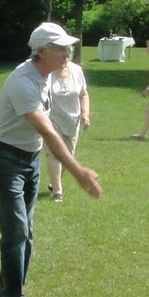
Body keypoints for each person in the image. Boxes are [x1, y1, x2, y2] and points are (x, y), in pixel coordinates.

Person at [0, 22, 102, 297]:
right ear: (41, 51)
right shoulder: (23, 82)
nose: (67, 53)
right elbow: (48, 131)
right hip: (6, 160)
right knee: (16, 231)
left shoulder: (45, 75)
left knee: (26, 232)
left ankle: (13, 294)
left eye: (68, 48)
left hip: (30, 159)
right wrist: (78, 172)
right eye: (61, 48)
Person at [44, 47, 90, 202]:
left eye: (67, 55)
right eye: (61, 54)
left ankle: (54, 181)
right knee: (53, 153)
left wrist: (85, 114)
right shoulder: (47, 72)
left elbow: (83, 94)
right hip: (51, 119)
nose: (64, 58)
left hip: (72, 119)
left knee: (67, 156)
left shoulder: (76, 70)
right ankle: (58, 191)